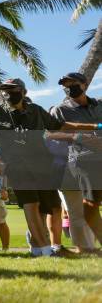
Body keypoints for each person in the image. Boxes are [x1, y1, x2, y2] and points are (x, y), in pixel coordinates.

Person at [0, 77, 102, 257]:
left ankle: (43, 248)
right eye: (5, 90)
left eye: (13, 90)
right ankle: (45, 250)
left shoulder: (36, 111)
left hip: (42, 165)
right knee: (31, 205)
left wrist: (95, 125)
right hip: (16, 165)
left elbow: (61, 126)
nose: (8, 93)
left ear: (23, 92)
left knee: (53, 207)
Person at [49, 72, 102, 250]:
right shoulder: (60, 110)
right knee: (86, 206)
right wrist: (79, 137)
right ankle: (87, 249)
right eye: (66, 84)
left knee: (88, 206)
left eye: (73, 83)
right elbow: (51, 133)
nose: (69, 87)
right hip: (82, 160)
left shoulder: (100, 104)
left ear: (85, 85)